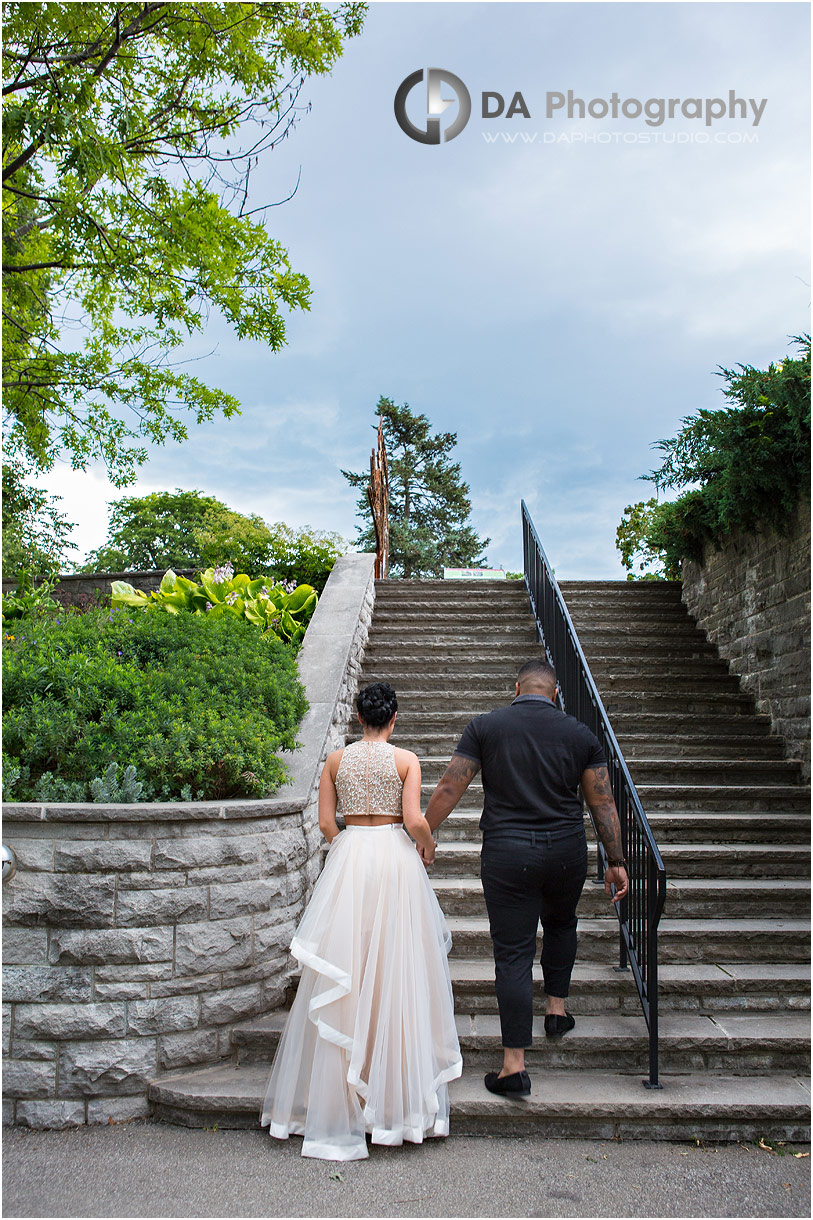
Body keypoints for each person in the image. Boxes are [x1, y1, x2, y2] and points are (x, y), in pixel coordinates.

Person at [260, 681, 463, 1159]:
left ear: (357, 719)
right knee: (394, 968)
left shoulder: (336, 760)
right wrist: (427, 844)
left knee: (346, 967)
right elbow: (414, 818)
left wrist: (348, 849)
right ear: (393, 720)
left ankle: (338, 1098)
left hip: (352, 856)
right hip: (393, 859)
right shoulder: (405, 759)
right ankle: (390, 1101)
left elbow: (327, 823)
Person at [423, 657, 629, 1096]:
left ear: (515, 688)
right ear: (555, 693)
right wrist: (616, 860)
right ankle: (556, 1010)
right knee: (561, 923)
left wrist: (423, 834)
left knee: (513, 953)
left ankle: (513, 1067)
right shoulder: (581, 735)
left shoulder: (486, 726)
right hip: (565, 852)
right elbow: (603, 803)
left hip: (507, 852)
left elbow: (448, 787)